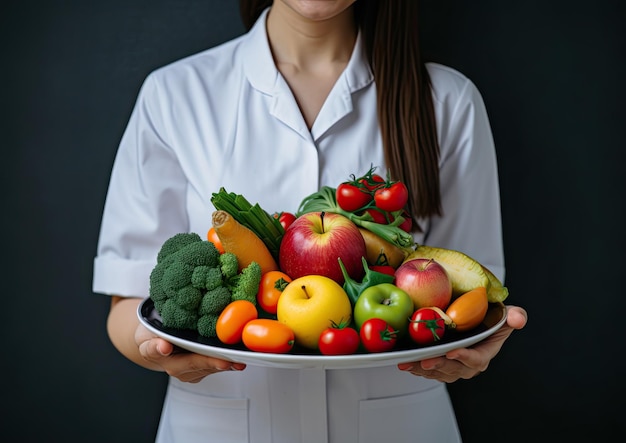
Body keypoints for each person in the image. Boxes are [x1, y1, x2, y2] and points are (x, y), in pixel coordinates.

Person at [93, 1, 527, 442]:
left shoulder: (448, 100)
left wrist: (474, 346)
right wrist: (155, 353)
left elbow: (473, 293)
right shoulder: (175, 94)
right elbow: (128, 301)